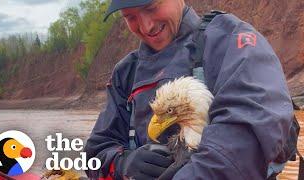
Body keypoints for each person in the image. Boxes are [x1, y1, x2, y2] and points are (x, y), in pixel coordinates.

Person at [84, 0, 295, 179]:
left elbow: (247, 134)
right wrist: (124, 163)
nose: (146, 26)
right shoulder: (126, 73)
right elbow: (95, 154)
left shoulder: (230, 41)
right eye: (130, 16)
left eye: (151, 7)